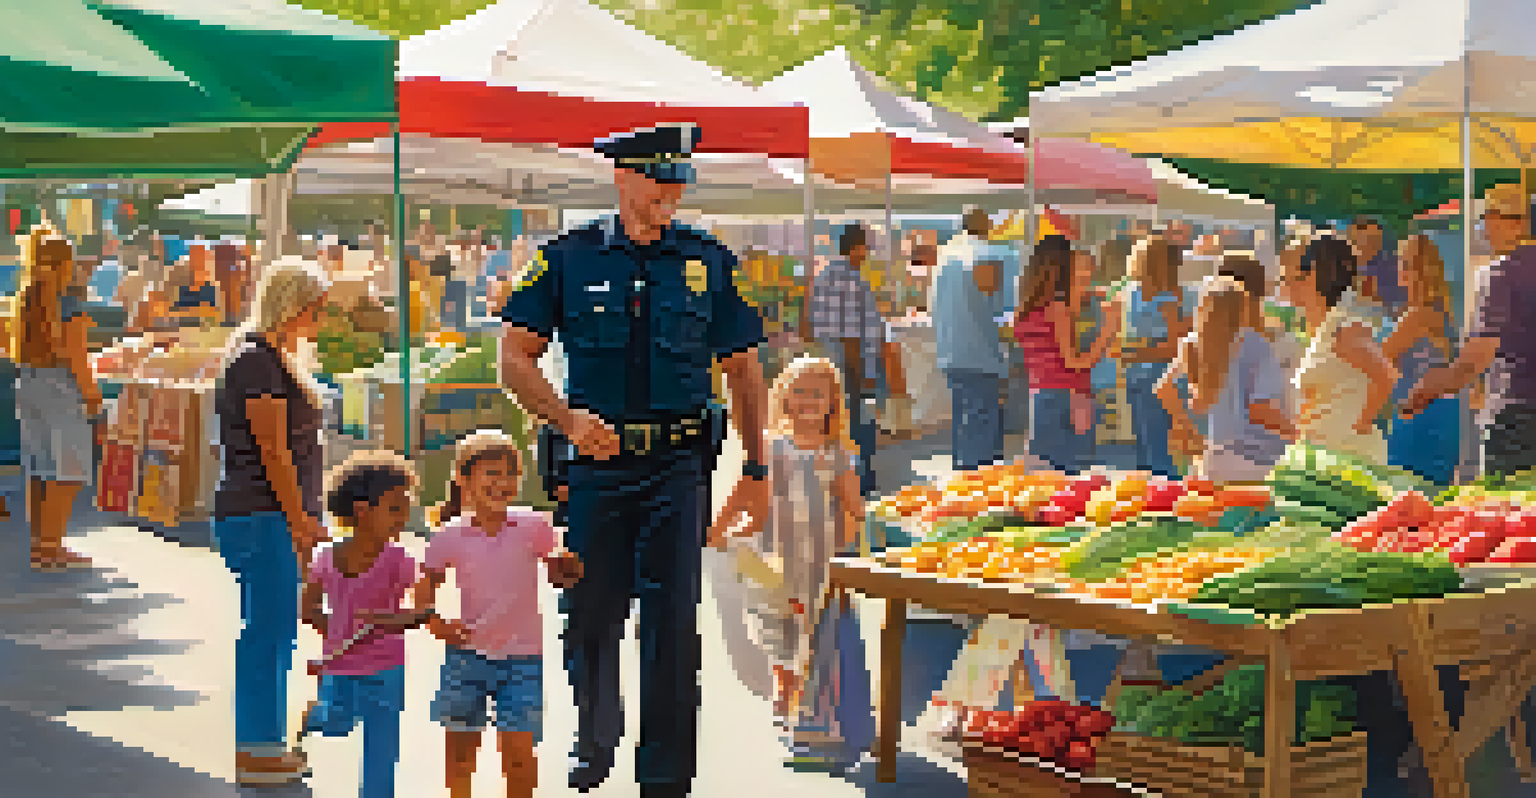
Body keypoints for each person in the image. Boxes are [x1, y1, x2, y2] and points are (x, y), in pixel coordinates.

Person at [496, 122, 768, 798]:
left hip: (678, 467)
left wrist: (756, 468)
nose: (671, 194)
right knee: (590, 614)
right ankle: (595, 736)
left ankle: (666, 777)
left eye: (679, 181)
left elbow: (743, 368)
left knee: (673, 626)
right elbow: (514, 359)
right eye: (658, 180)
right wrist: (564, 419)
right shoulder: (567, 257)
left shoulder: (709, 260)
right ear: (623, 178)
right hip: (594, 470)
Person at [710, 356, 872, 769]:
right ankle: (787, 701)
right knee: (778, 634)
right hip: (775, 559)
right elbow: (746, 490)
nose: (807, 400)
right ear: (784, 397)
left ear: (832, 403)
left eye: (817, 393)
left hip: (821, 560)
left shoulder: (837, 454)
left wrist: (850, 540)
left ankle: (811, 713)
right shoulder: (770, 447)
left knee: (816, 637)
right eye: (799, 390)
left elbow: (853, 507)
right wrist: (721, 526)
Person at [413, 431, 584, 798]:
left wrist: (567, 567)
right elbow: (424, 588)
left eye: (509, 474)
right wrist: (434, 622)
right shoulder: (449, 535)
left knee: (519, 759)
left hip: (523, 662)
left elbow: (559, 571)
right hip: (465, 661)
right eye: (491, 473)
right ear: (464, 478)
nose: (502, 482)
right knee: (460, 760)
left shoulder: (534, 526)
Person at [212, 256, 330, 785]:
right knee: (268, 632)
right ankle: (257, 748)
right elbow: (274, 452)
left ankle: (262, 744)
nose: (322, 320)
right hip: (262, 514)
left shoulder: (264, 356)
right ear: (295, 307)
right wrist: (302, 520)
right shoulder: (258, 361)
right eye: (317, 309)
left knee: (274, 630)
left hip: (266, 513)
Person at [297, 451, 433, 798]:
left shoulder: (400, 561)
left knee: (382, 746)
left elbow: (423, 610)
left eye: (406, 508)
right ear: (361, 510)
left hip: (387, 668)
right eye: (394, 508)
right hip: (339, 666)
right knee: (337, 724)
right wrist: (334, 630)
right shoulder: (326, 557)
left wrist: (393, 620)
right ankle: (315, 716)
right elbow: (308, 606)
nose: (403, 518)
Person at [1404, 183, 1536, 477]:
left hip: (1516, 418)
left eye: (1490, 219)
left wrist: (1431, 387)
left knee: (1511, 514)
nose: (1485, 229)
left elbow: (1476, 359)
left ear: (1517, 224)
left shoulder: (1499, 273)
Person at [14, 228, 101, 570]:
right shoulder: (68, 303)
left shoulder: (27, 297)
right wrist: (92, 396)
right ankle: (52, 549)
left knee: (39, 468)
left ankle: (41, 546)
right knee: (68, 471)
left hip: (30, 382)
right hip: (60, 386)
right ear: (66, 263)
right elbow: (76, 356)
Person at [1159, 275, 1296, 484]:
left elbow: (1164, 388)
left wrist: (1188, 429)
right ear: (1243, 309)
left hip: (1213, 459)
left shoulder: (1193, 344)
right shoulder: (1255, 345)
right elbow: (1260, 409)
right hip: (1260, 460)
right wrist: (1299, 434)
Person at [1288, 236, 1397, 465]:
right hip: (1324, 458)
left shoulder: (1343, 328)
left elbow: (1386, 376)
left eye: (1297, 276)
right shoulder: (1326, 329)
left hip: (1350, 460)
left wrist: (1358, 426)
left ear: (1314, 275)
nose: (1289, 284)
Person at [1014, 236, 1118, 473]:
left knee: (1041, 470)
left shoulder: (1028, 308)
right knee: (1073, 472)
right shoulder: (1058, 307)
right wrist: (1108, 331)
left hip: (1041, 394)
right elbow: (1075, 363)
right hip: (1071, 396)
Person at [932, 209, 1018, 472]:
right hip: (981, 353)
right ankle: (977, 493)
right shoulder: (991, 255)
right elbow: (1002, 309)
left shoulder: (945, 259)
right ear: (988, 225)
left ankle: (963, 486)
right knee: (982, 431)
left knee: (964, 426)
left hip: (951, 352)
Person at [808, 223, 885, 493]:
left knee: (836, 426)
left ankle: (838, 482)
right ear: (857, 247)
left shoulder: (824, 274)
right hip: (849, 366)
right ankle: (861, 482)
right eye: (866, 246)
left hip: (830, 363)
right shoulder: (851, 278)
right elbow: (851, 335)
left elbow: (813, 327)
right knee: (858, 425)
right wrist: (862, 374)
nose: (868, 252)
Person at [1382, 235, 1460, 485]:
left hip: (1415, 417)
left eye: (1404, 263)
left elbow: (1378, 359)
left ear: (1417, 271)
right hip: (1444, 416)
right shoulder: (1443, 313)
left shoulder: (1416, 317)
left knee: (1406, 495)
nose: (1398, 270)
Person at [1115, 235, 1191, 477]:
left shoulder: (1135, 294)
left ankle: (1158, 495)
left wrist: (1133, 354)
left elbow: (1172, 346)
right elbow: (1175, 344)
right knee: (1154, 447)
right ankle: (1160, 496)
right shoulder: (1165, 297)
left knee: (1150, 448)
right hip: (1153, 377)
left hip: (1144, 376)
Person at [1349, 215, 1405, 312]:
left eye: (1372, 240)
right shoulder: (1345, 267)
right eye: (1361, 239)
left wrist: (1376, 298)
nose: (1366, 244)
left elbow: (1400, 303)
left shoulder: (1393, 267)